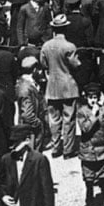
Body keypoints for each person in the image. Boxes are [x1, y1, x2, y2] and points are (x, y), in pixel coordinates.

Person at [0, 124, 53, 206]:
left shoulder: (39, 160)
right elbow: (2, 182)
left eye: (15, 142)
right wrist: (3, 196)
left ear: (26, 141)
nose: (11, 146)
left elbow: (47, 189)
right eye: (10, 142)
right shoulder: (6, 159)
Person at [40, 14, 82, 157]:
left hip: (52, 86)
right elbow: (75, 65)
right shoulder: (69, 46)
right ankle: (68, 149)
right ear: (65, 28)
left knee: (54, 119)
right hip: (68, 85)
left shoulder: (46, 46)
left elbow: (44, 64)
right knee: (69, 119)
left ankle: (55, 147)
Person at [75, 83, 104, 206]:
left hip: (103, 149)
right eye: (90, 97)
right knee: (89, 178)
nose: (93, 100)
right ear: (86, 98)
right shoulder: (82, 111)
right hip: (88, 151)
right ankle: (89, 194)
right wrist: (93, 114)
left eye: (95, 97)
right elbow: (85, 129)